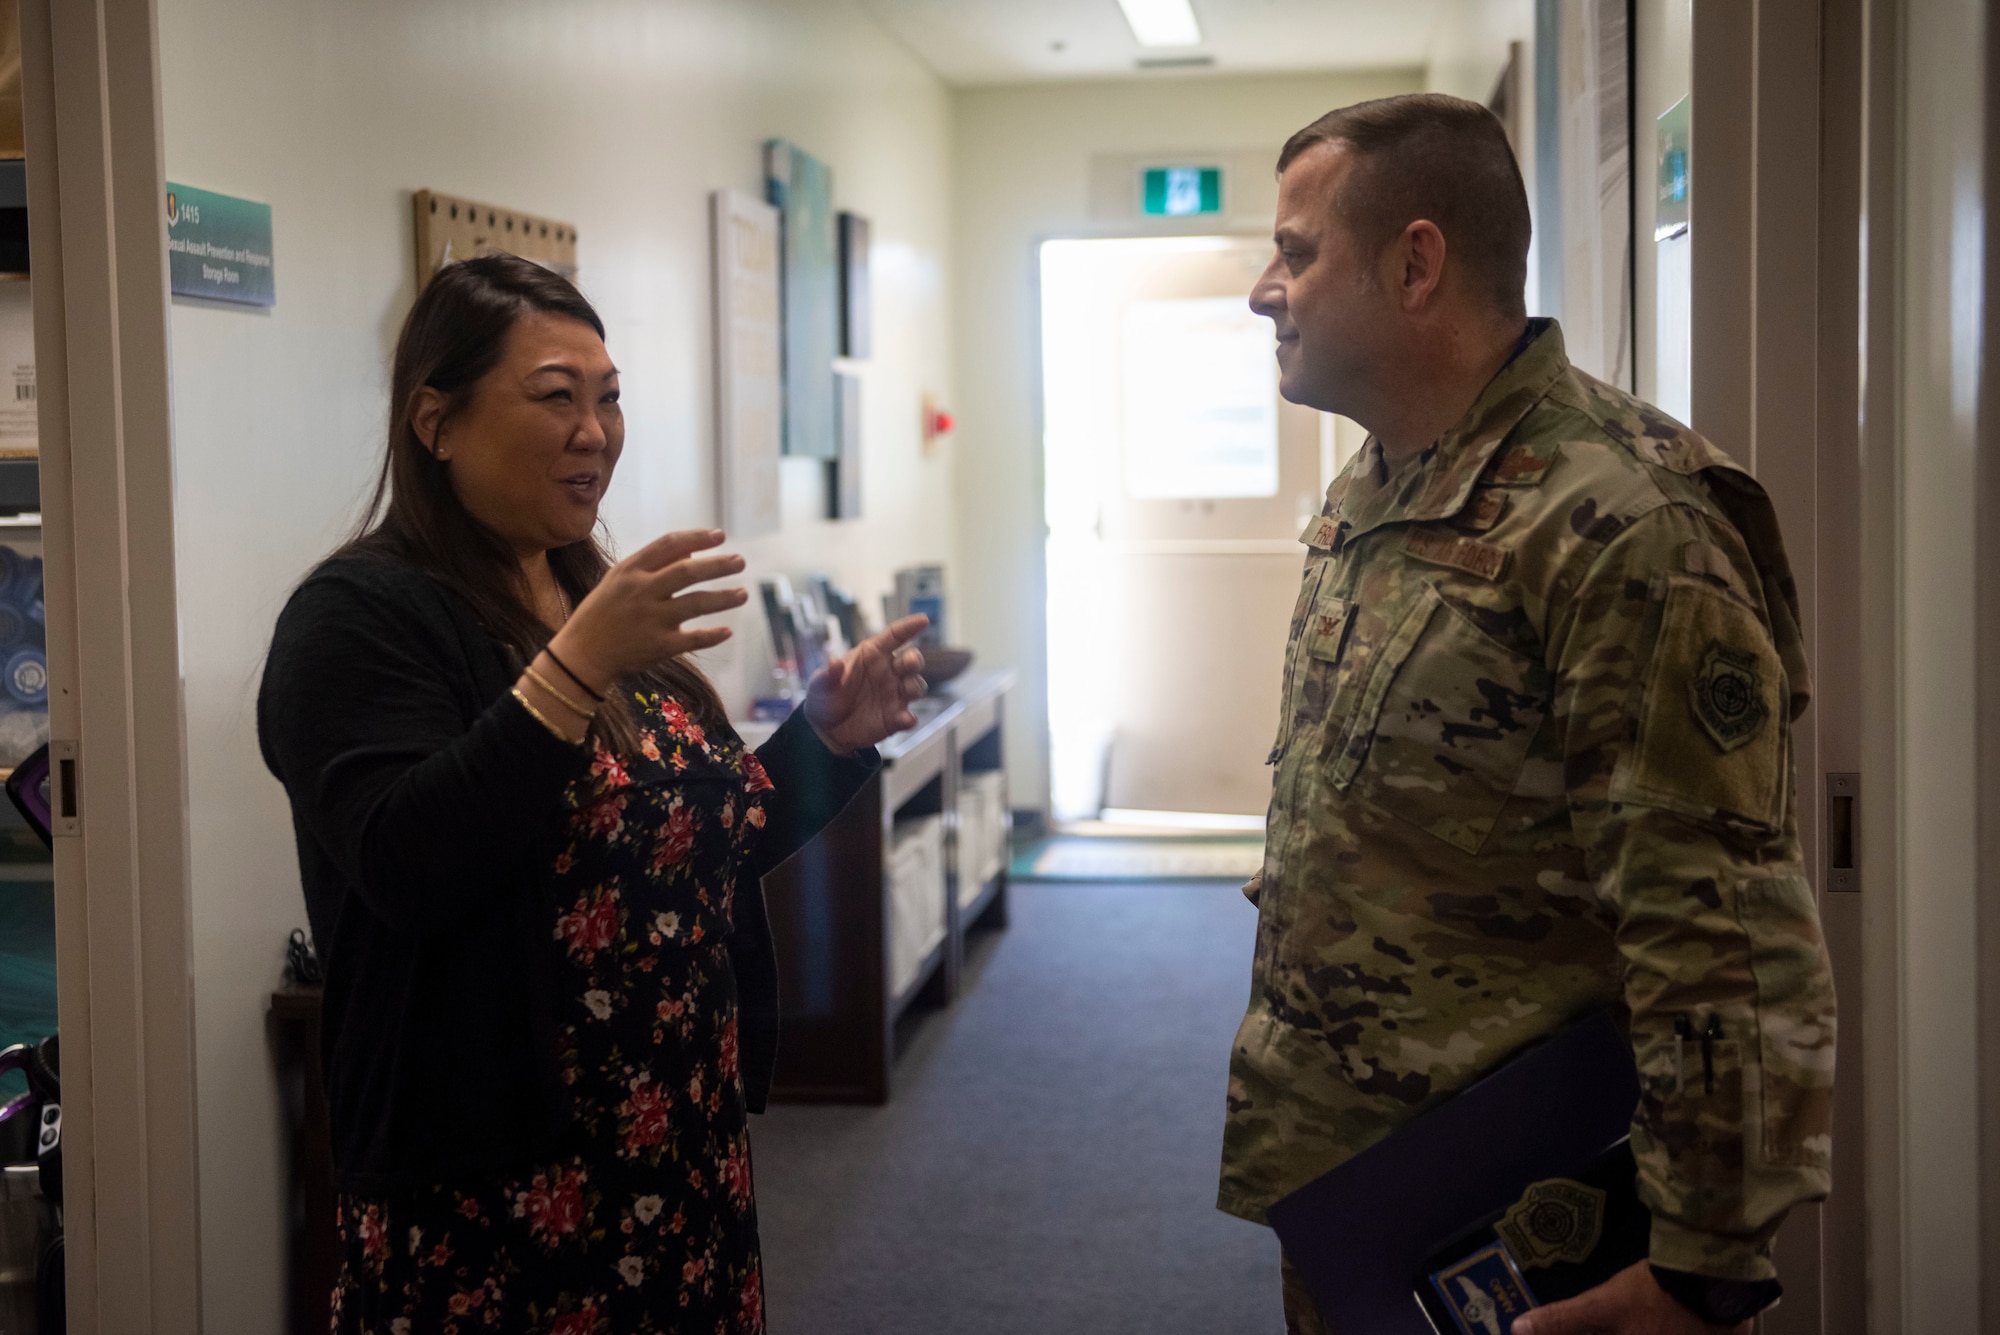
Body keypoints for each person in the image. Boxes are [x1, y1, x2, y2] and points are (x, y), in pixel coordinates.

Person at [1220, 94, 1837, 1335]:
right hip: (1365, 1185)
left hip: (1528, 1206)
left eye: (1294, 252)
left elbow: (1713, 921)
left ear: (1414, 263)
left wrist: (1698, 1269)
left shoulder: (1622, 519)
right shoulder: (1380, 478)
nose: (1260, 290)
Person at [259, 253, 927, 1333]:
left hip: (679, 1151)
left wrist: (824, 745)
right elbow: (406, 860)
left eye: (608, 397)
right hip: (499, 1182)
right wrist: (573, 668)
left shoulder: (587, 593)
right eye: (555, 397)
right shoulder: (357, 618)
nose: (595, 431)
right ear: (436, 420)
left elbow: (682, 850)